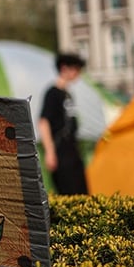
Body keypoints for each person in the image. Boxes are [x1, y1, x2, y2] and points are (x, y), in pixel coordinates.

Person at [38, 53, 89, 195]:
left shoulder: (67, 93)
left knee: (82, 192)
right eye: (75, 69)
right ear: (64, 68)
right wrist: (50, 152)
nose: (77, 74)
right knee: (68, 192)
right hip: (60, 150)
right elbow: (43, 122)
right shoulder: (52, 93)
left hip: (73, 149)